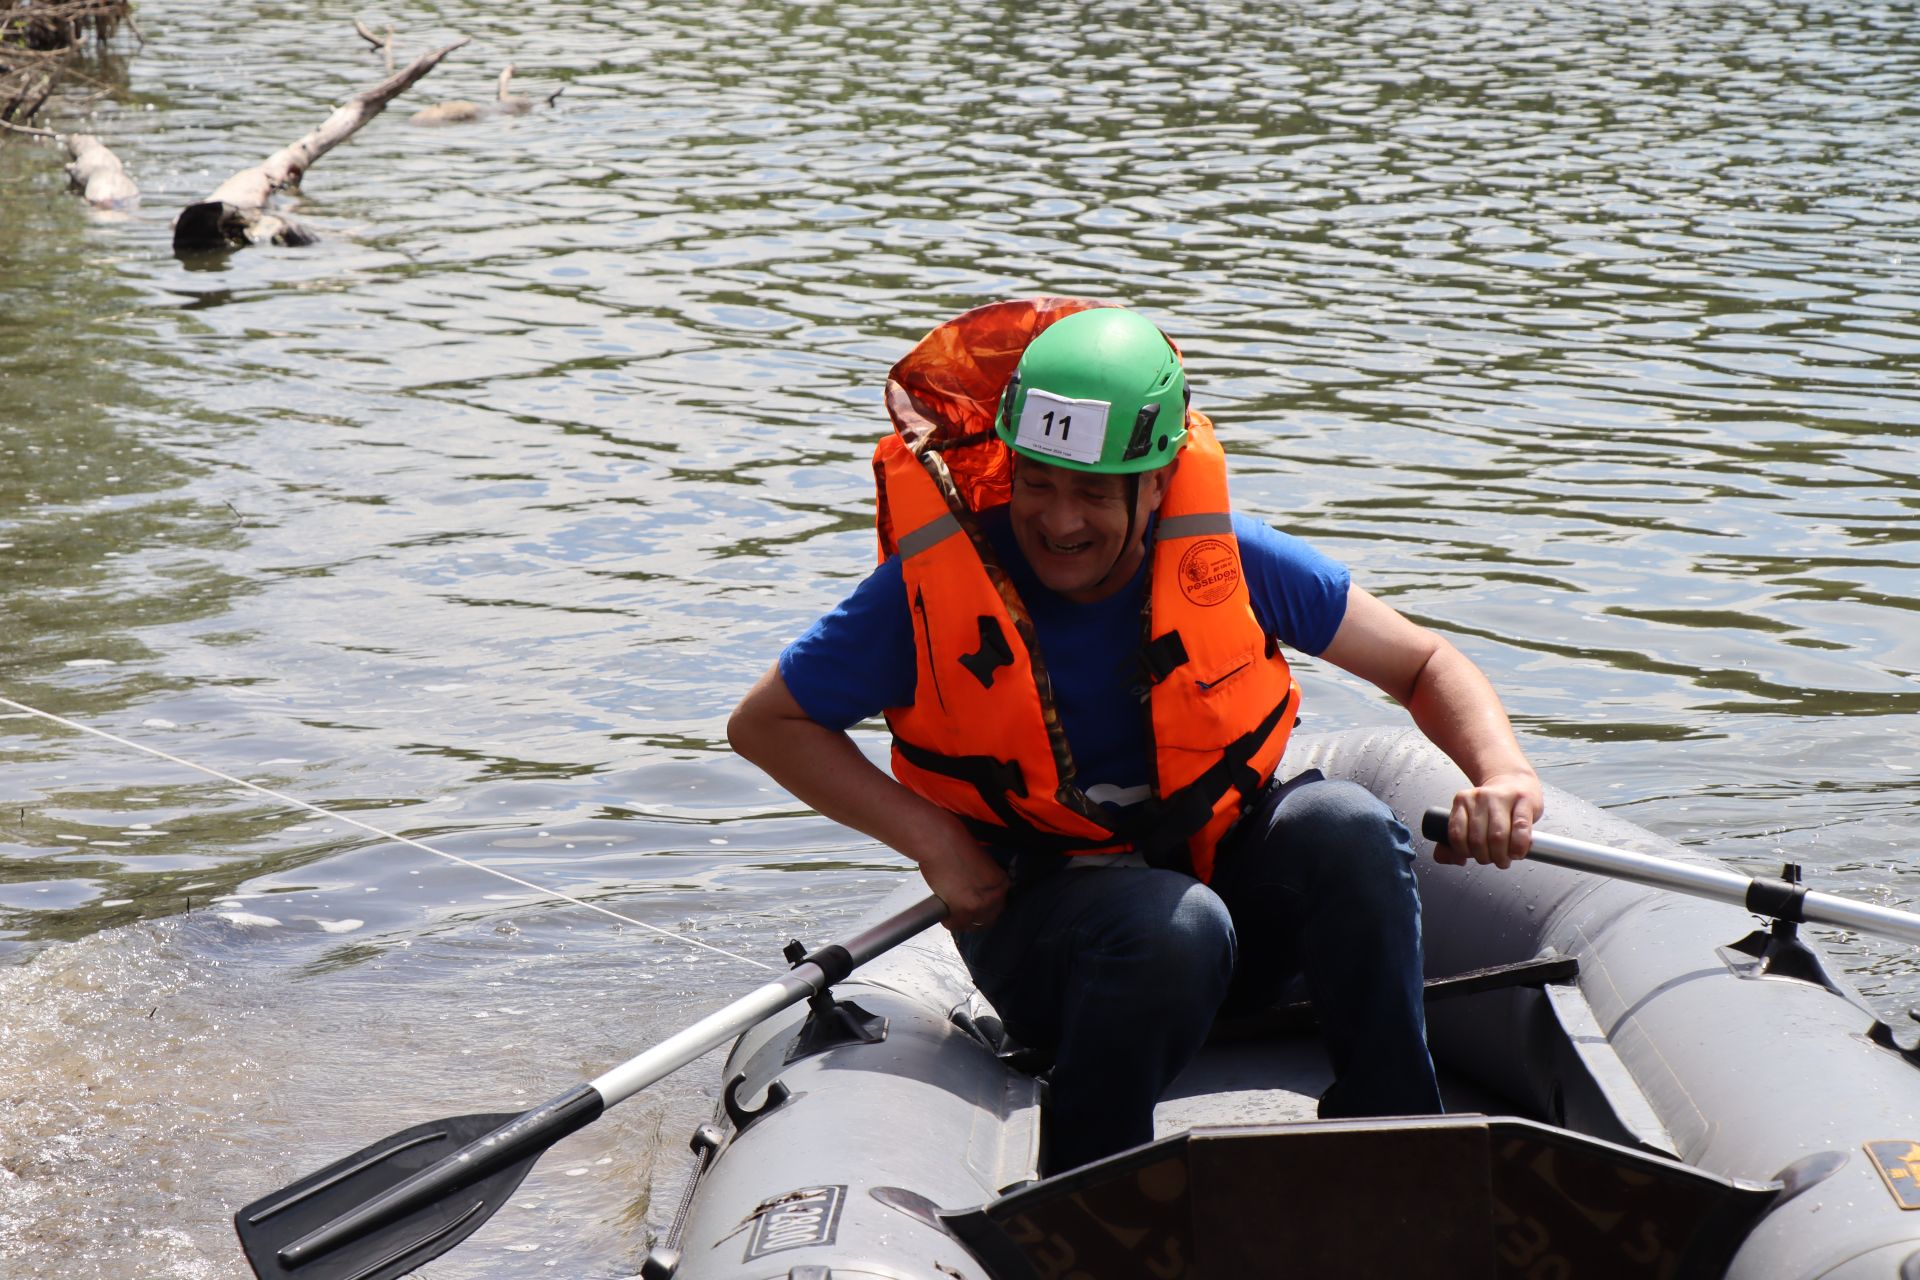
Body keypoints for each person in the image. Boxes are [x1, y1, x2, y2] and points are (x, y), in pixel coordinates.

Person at [728, 297, 1543, 1175]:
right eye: (1037, 480)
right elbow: (767, 723)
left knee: (1346, 825)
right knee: (1171, 927)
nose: (1059, 519)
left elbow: (1423, 664)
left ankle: (1398, 1150)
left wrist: (1501, 771)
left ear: (1156, 483)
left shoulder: (1221, 557)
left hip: (1223, 903)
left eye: (1092, 491)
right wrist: (932, 840)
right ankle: (1091, 1187)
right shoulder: (928, 593)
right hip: (1054, 942)